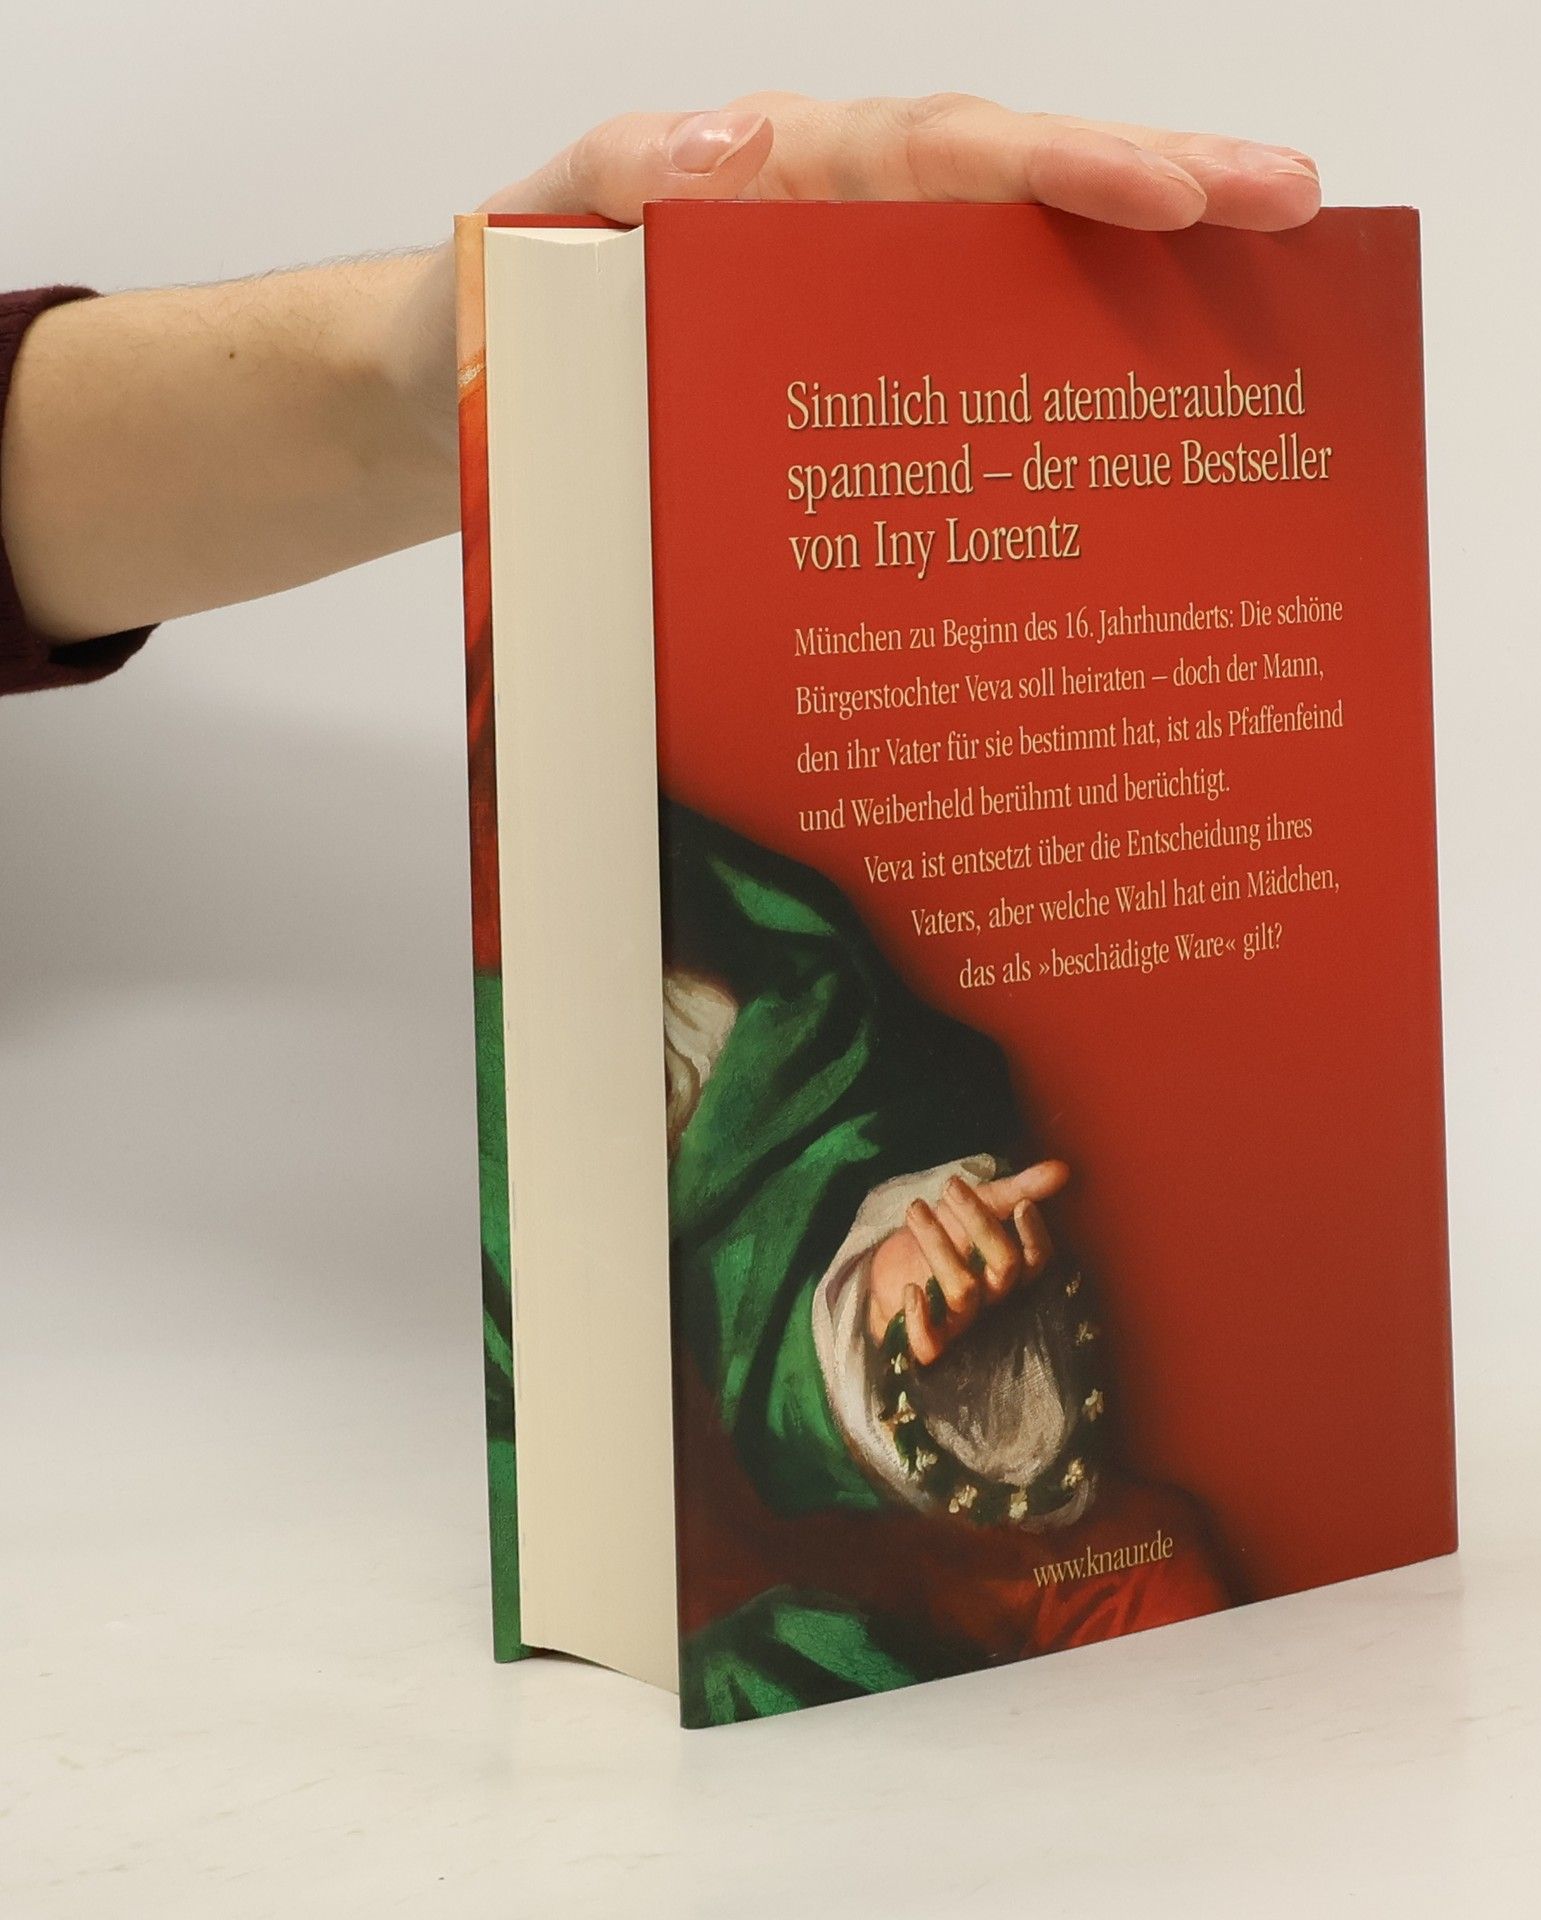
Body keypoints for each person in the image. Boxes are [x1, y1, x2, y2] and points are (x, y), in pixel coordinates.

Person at [2, 92, 1321, 1721]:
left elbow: (814, 1114)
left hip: (894, 1507)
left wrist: (885, 1316)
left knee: (1144, 1591)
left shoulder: (774, 957)